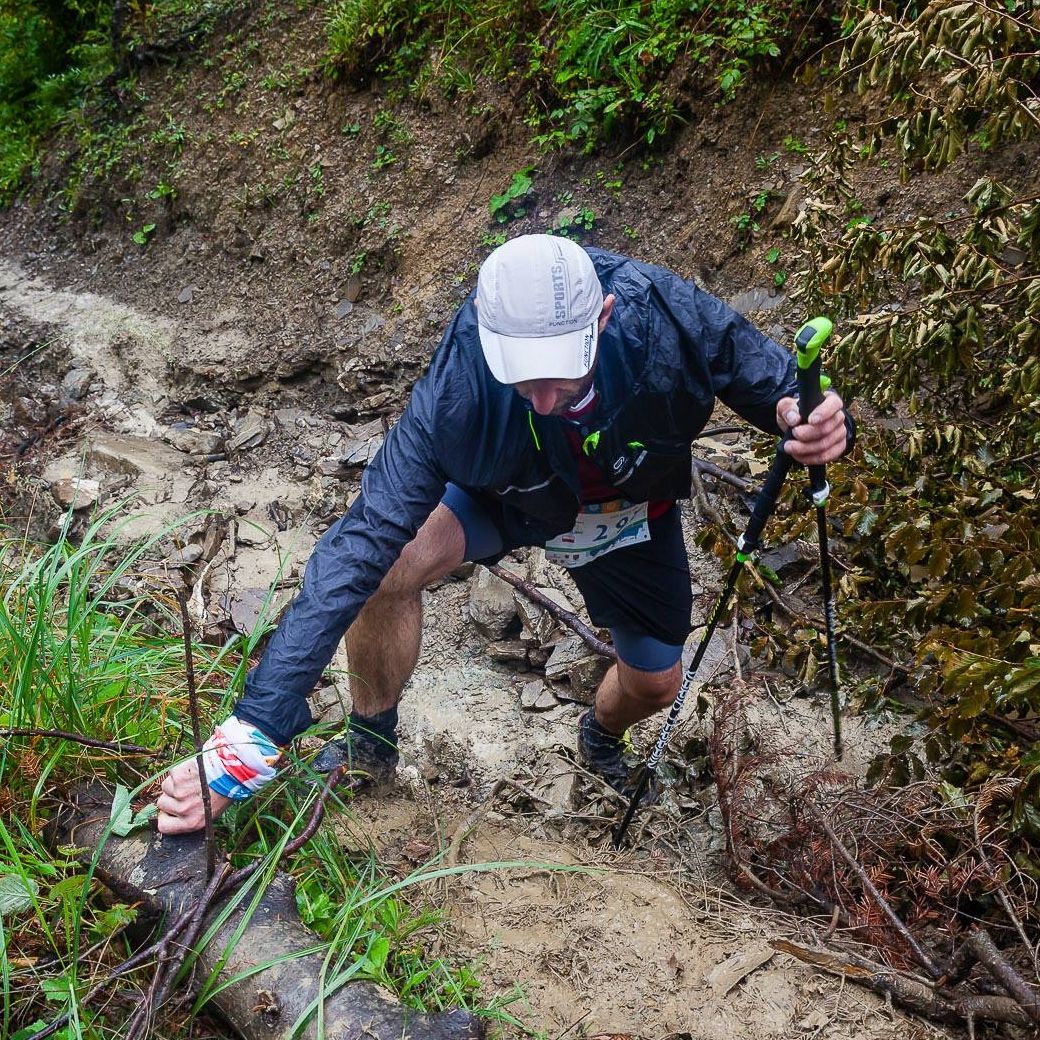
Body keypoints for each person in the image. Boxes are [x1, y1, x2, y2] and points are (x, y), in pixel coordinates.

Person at [156, 234, 853, 834]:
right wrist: (252, 734)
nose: (545, 399)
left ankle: (599, 735)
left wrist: (810, 419)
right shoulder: (455, 390)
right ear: (488, 335)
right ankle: (370, 742)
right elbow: (360, 539)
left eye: (561, 374)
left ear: (605, 317)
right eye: (523, 379)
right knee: (388, 563)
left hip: (628, 511)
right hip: (510, 495)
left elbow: (780, 385)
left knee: (654, 682)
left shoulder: (658, 308)